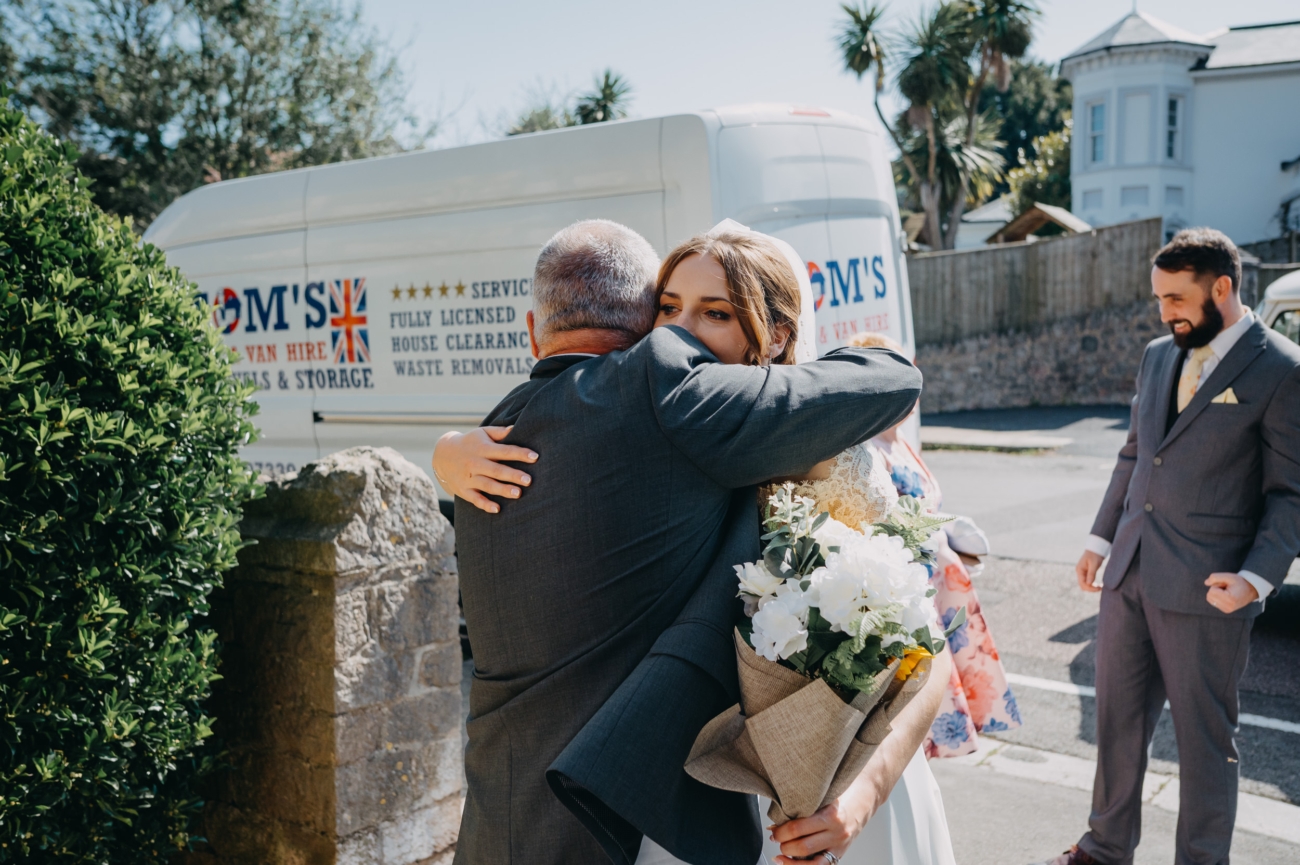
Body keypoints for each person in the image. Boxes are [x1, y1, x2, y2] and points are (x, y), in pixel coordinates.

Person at [440, 220, 955, 865]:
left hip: (834, 792)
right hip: (692, 795)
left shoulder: (826, 458)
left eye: (714, 312)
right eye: (666, 307)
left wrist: (860, 797)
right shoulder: (653, 425)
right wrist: (447, 452)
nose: (679, 331)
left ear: (773, 335)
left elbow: (925, 652)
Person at [1036, 228, 1300, 865]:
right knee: (1116, 725)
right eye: (1159, 299)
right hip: (1128, 574)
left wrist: (1257, 579)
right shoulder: (1158, 354)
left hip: (1210, 590)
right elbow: (1135, 454)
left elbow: (1291, 493)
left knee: (1205, 741)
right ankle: (1104, 850)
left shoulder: (1282, 369)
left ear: (1223, 287)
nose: (1166, 313)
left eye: (1177, 299)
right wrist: (1100, 538)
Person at [846, 332, 1022, 759]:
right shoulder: (864, 446)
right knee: (924, 701)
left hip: (941, 581)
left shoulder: (900, 439)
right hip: (916, 589)